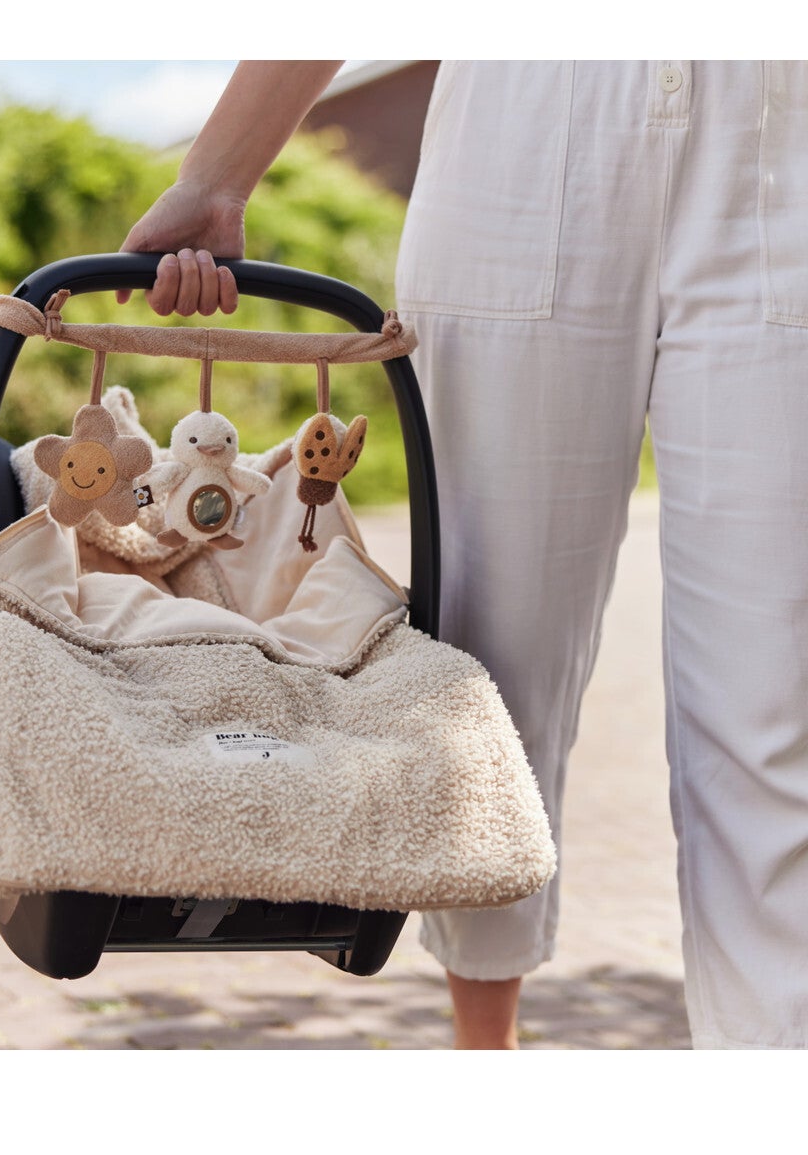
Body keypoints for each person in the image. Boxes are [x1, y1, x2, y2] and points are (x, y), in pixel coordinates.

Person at [117, 60, 808, 1050]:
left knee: (774, 704)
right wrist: (218, 174)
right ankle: (487, 1061)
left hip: (781, 137)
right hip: (527, 141)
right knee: (493, 678)